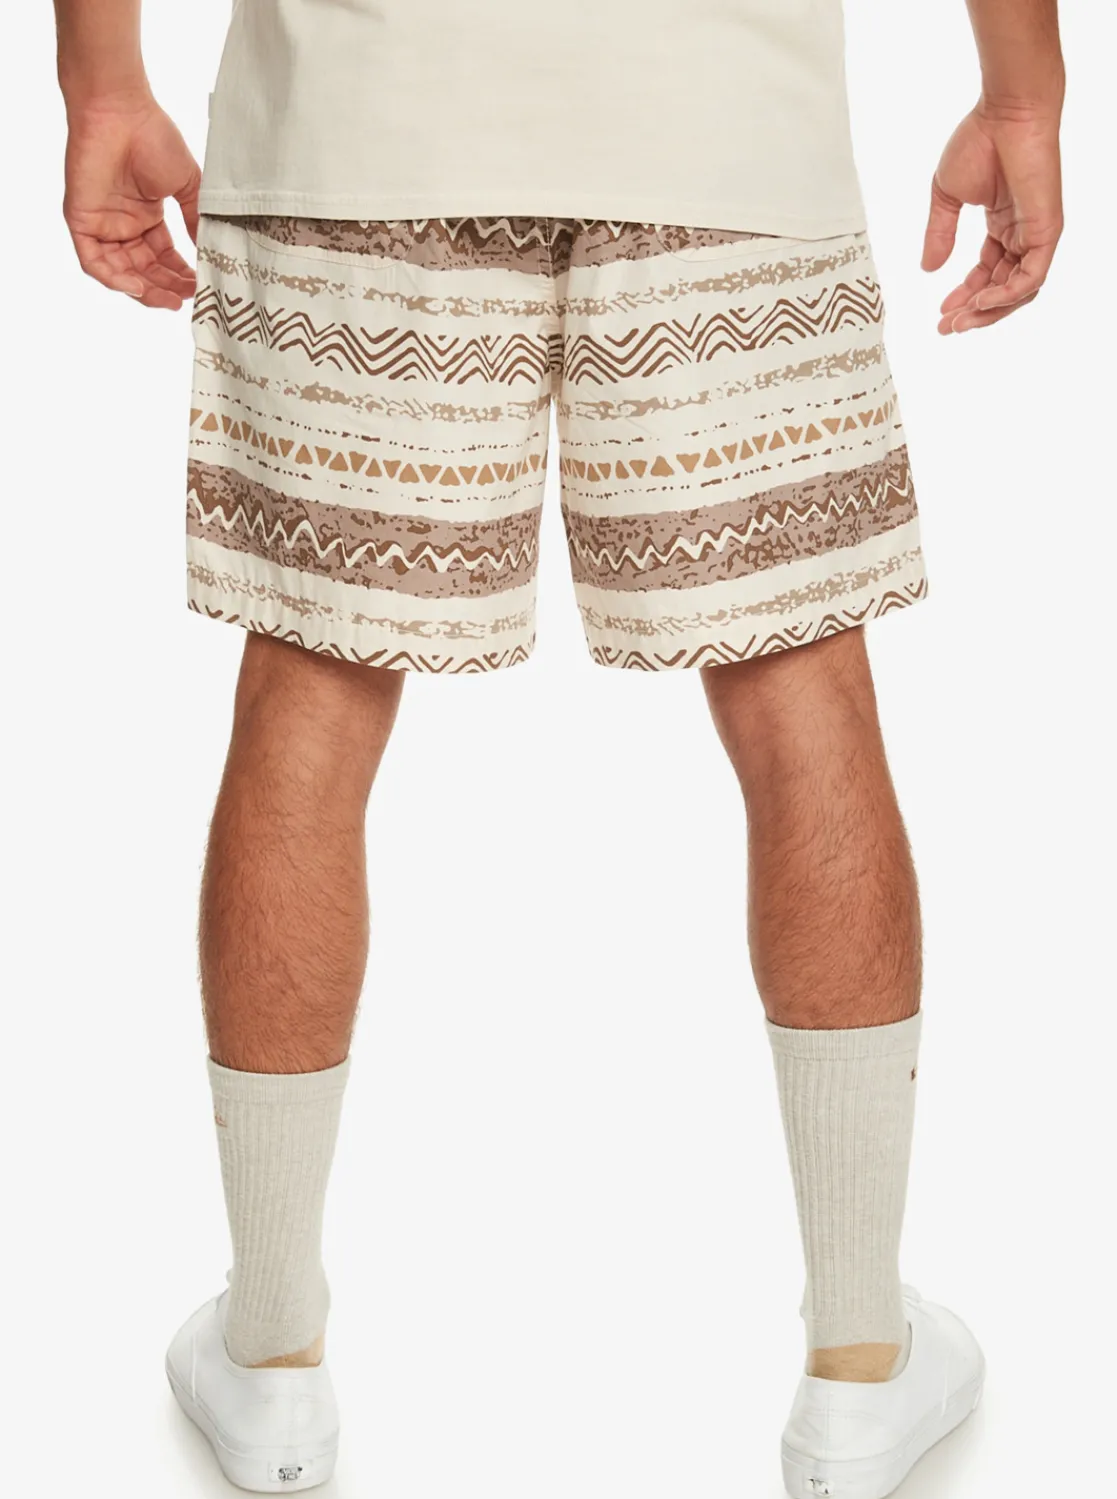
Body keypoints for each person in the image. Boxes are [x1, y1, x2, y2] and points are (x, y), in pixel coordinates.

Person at [53, 1, 1064, 1494]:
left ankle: (268, 1362)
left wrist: (99, 84)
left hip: (361, 122)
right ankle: (861, 1368)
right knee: (798, 683)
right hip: (723, 129)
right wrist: (1021, 94)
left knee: (314, 684)